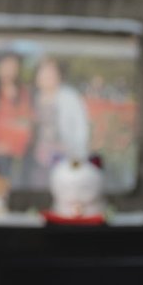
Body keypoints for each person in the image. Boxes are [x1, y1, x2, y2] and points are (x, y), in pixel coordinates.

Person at [27, 58, 91, 188]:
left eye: (51, 73)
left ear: (59, 76)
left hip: (64, 156)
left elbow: (81, 129)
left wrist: (78, 155)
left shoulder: (69, 97)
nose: (47, 77)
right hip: (36, 159)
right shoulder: (32, 96)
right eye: (43, 73)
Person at [0, 53, 34, 184]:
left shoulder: (25, 93)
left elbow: (26, 124)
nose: (9, 71)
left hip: (19, 156)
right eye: (5, 66)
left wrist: (14, 145)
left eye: (13, 67)